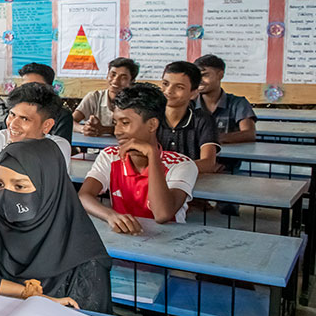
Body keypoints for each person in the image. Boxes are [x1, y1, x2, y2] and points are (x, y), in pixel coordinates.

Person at [0, 139, 112, 313]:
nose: (5, 196)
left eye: (19, 186)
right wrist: (24, 293)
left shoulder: (86, 258)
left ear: (49, 188)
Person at [78, 84, 199, 234]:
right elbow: (84, 196)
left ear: (152, 124)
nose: (117, 131)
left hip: (168, 246)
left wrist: (153, 155)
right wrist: (111, 215)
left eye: (125, 123)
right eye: (115, 123)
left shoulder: (181, 165)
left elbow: (162, 214)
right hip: (124, 240)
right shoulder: (110, 156)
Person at [159, 61, 220, 173]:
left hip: (190, 182)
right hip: (153, 181)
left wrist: (171, 170)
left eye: (179, 87)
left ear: (193, 93)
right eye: (165, 84)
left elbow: (208, 163)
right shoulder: (150, 117)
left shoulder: (203, 120)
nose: (168, 91)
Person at [194, 54, 257, 144]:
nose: (199, 80)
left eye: (205, 75)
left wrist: (211, 139)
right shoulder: (189, 104)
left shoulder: (238, 103)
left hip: (229, 157)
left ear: (220, 75)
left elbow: (249, 134)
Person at [72, 57, 139, 137]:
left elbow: (137, 128)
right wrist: (83, 129)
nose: (115, 81)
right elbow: (70, 121)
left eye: (123, 77)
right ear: (107, 76)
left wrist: (104, 129)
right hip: (95, 148)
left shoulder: (136, 102)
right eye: (113, 75)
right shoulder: (94, 97)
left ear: (132, 81)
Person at [16, 62, 72, 144]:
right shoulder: (14, 112)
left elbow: (60, 150)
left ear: (48, 88)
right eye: (24, 87)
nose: (28, 91)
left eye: (34, 86)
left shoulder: (62, 115)